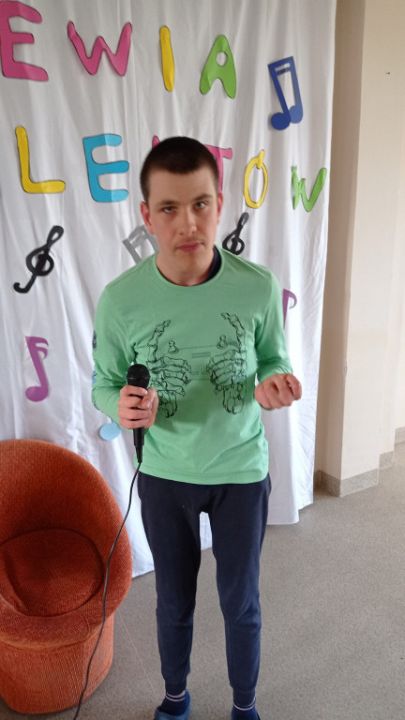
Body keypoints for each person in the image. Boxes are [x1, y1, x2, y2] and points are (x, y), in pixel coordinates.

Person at [92, 136, 302, 720]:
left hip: (241, 472)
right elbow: (103, 382)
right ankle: (175, 697)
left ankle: (244, 705)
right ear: (147, 215)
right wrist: (119, 407)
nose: (188, 223)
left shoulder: (257, 286)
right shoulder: (120, 300)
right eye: (169, 208)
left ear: (220, 203)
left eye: (201, 204)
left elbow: (272, 358)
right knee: (173, 601)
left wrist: (273, 382)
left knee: (242, 603)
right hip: (165, 474)